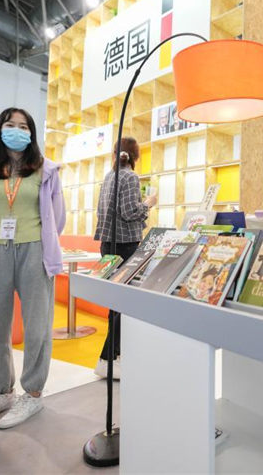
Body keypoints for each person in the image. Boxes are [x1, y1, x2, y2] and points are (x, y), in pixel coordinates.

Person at [0, 107, 65, 429]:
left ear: (32, 133)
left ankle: (32, 394)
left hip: (34, 250)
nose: (17, 131)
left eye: (24, 126)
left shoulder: (46, 169)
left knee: (37, 325)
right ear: (0, 128)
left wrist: (41, 240)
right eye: (11, 125)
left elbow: (57, 217)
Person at [93, 137, 156, 379]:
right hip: (126, 245)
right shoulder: (130, 177)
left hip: (108, 244)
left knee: (115, 303)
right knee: (123, 304)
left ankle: (112, 356)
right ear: (136, 156)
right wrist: (148, 203)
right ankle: (109, 358)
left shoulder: (110, 176)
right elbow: (130, 212)